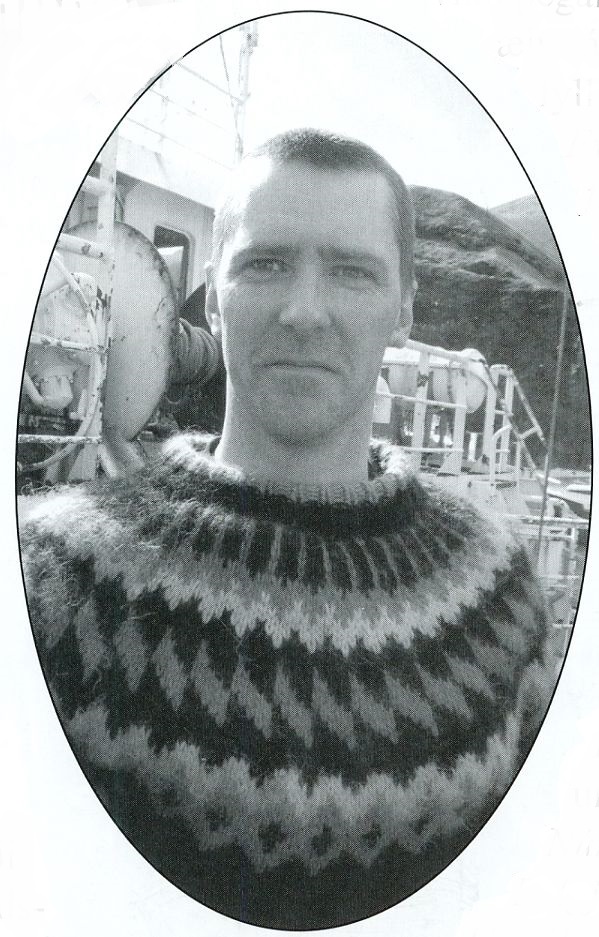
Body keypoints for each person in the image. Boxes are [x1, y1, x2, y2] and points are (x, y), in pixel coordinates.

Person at [18, 128, 554, 930]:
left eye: (351, 271)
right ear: (213, 293)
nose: (304, 311)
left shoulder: (498, 597)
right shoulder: (57, 580)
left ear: (404, 307)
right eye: (265, 264)